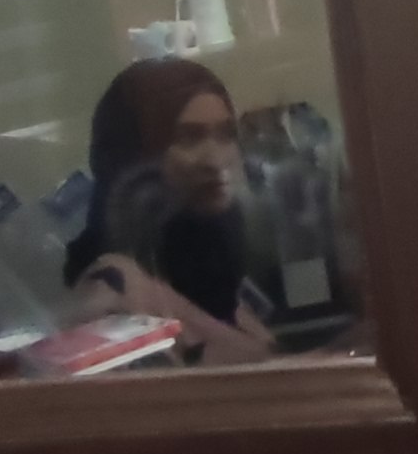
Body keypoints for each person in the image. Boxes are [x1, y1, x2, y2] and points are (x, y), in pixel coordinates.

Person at [61, 59, 280, 364]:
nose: (215, 160)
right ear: (134, 156)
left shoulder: (210, 274)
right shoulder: (115, 293)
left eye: (226, 134)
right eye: (189, 138)